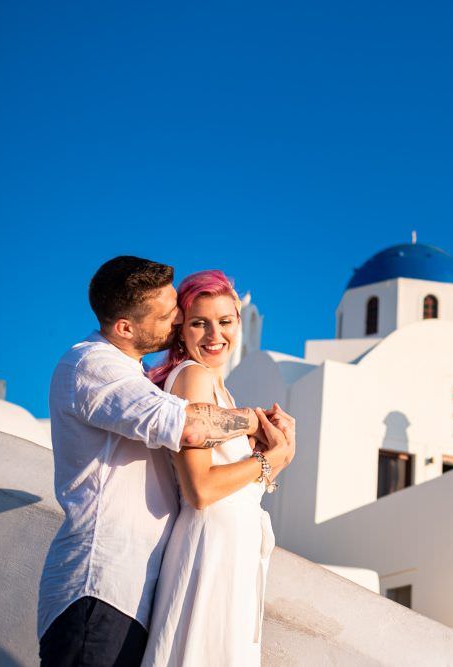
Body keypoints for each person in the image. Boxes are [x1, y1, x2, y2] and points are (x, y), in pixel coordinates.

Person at [37, 256, 294, 667]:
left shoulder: (134, 377)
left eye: (177, 307)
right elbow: (190, 433)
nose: (176, 319)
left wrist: (266, 453)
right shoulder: (92, 365)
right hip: (99, 585)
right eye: (174, 314)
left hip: (133, 587)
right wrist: (257, 424)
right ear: (125, 326)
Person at [141, 270, 295, 666]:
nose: (214, 335)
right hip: (210, 554)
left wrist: (275, 456)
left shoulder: (220, 391)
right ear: (181, 330)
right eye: (199, 323)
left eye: (225, 322)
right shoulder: (193, 377)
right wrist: (268, 460)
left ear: (239, 324)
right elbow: (201, 490)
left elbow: (234, 483)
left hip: (231, 554)